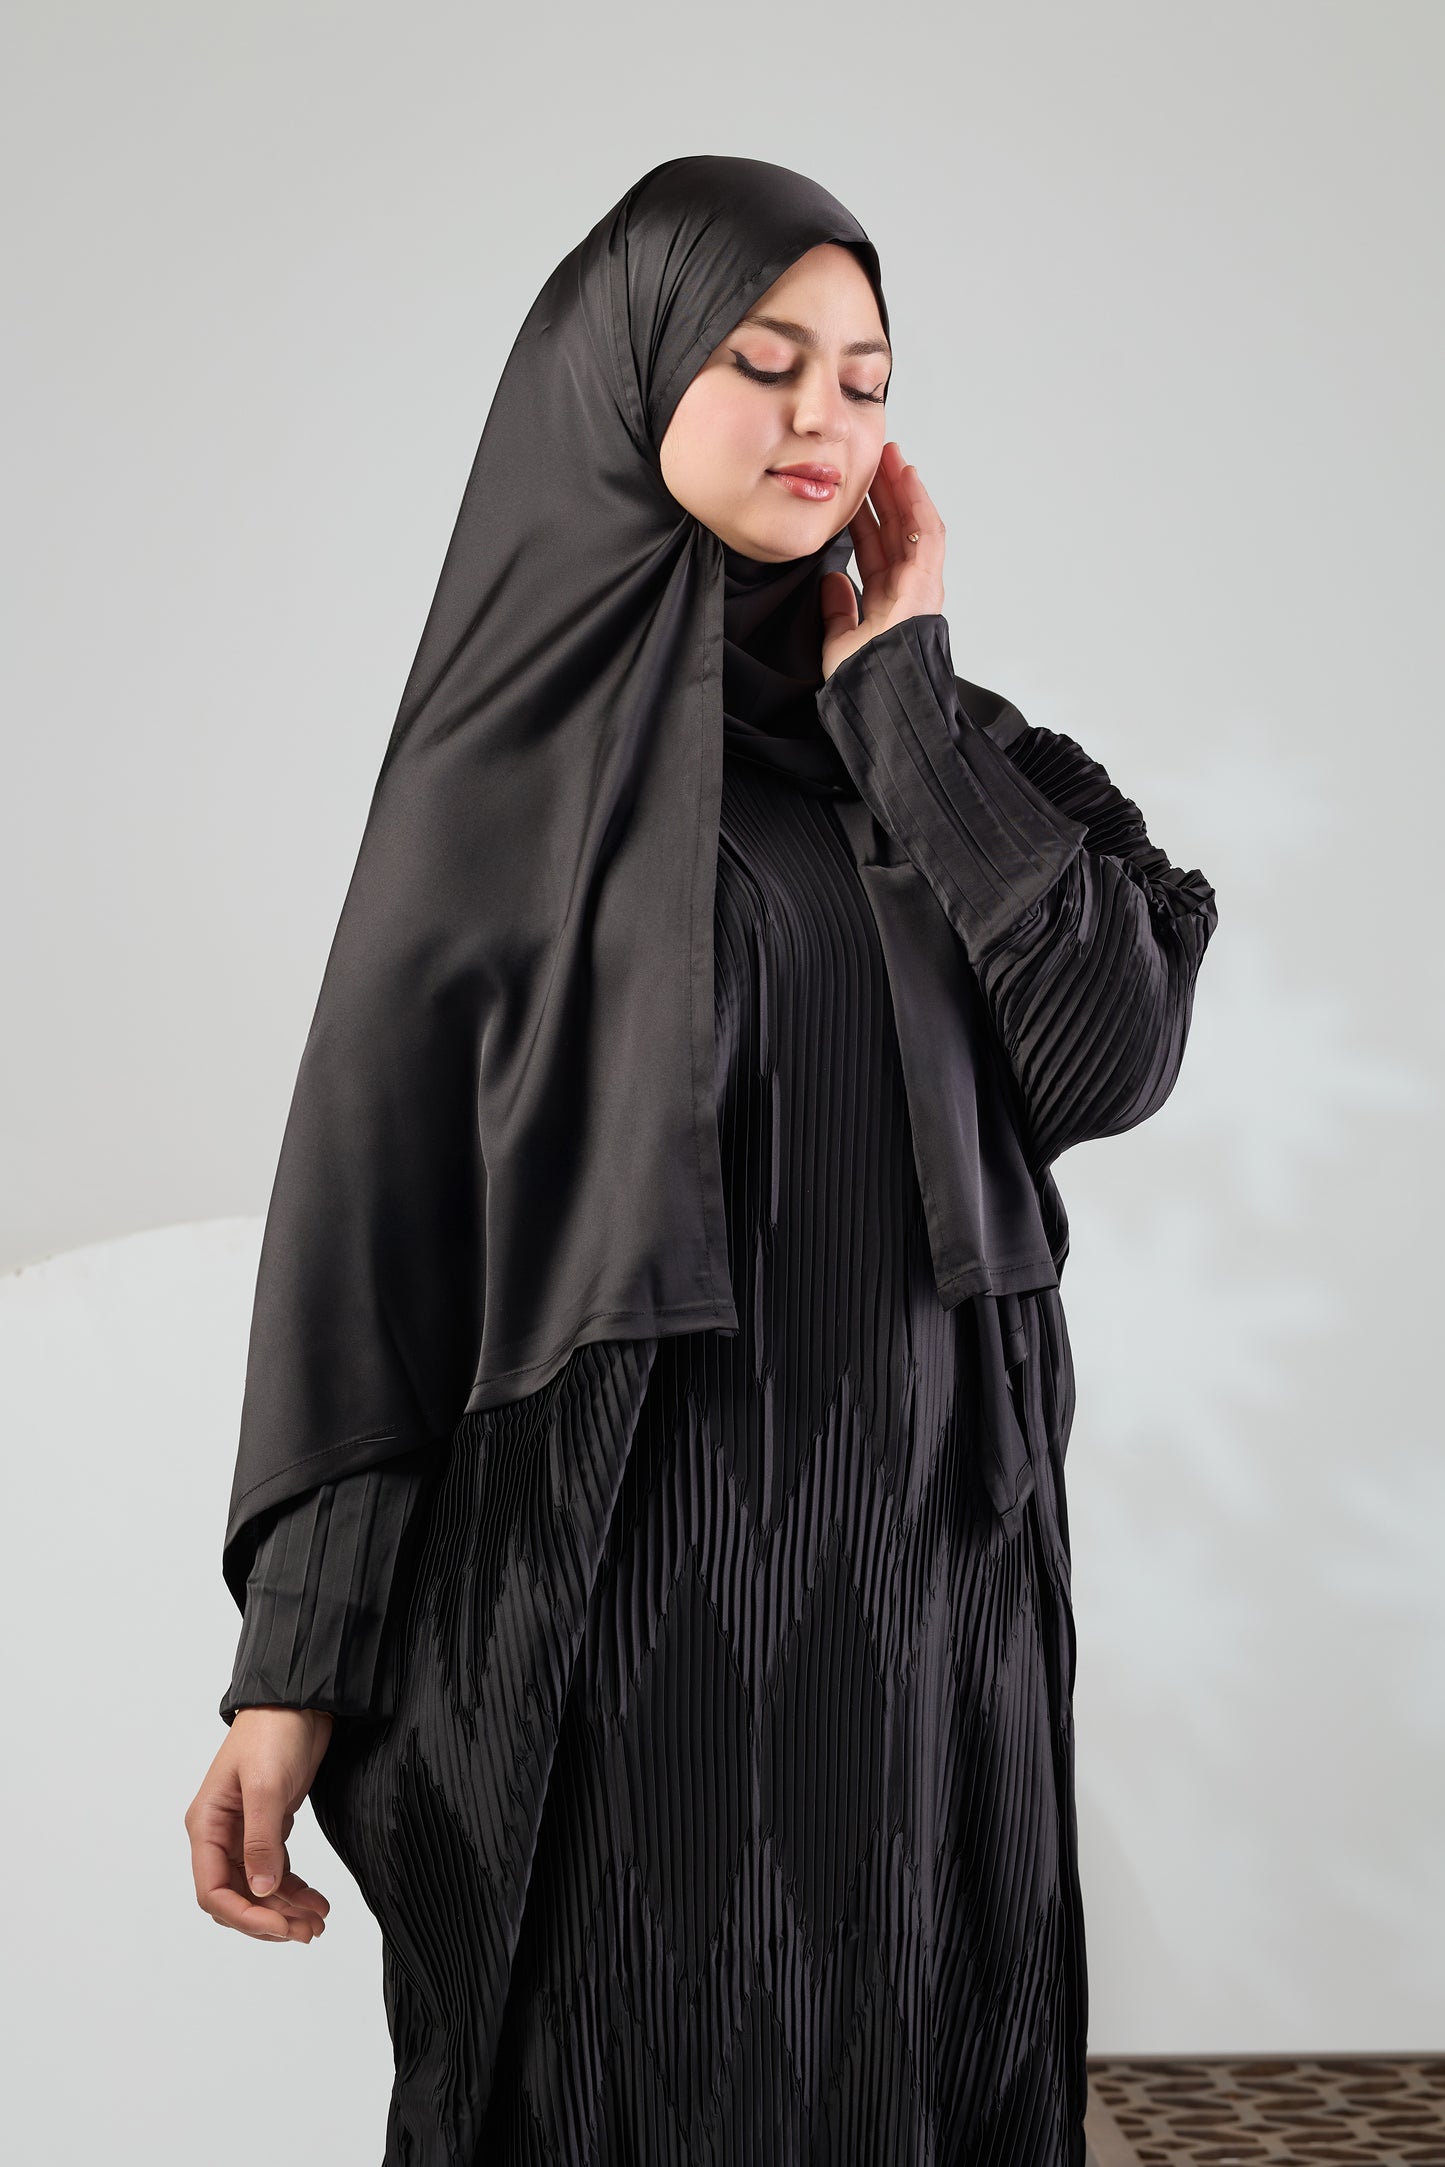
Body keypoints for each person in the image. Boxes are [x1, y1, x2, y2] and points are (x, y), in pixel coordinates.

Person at [185, 154, 1218, 2166]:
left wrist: (901, 707)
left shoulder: (953, 757)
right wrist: (290, 1675)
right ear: (627, 372)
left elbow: (1112, 1052)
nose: (826, 417)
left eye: (867, 380)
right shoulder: (506, 783)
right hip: (628, 1620)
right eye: (766, 362)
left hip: (931, 1624)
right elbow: (377, 1241)